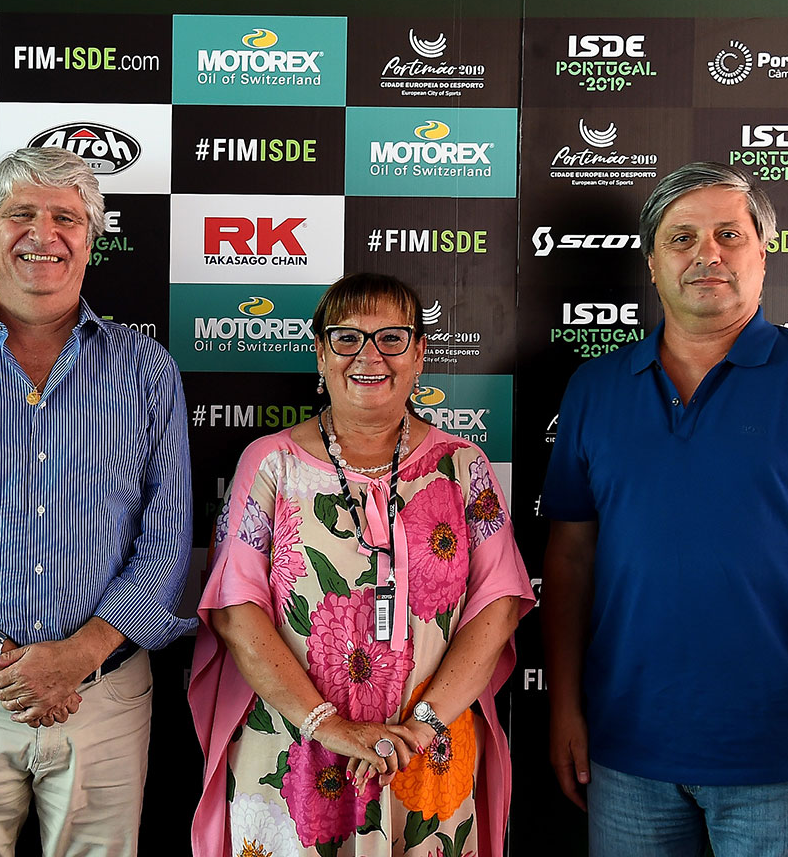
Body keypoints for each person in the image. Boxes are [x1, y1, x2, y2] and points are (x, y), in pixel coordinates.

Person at [542, 162, 788, 856]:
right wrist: (564, 706)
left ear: (761, 252)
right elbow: (569, 559)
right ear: (653, 264)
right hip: (626, 754)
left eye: (728, 234)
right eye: (681, 238)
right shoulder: (595, 389)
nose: (706, 254)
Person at [0, 146, 195, 856]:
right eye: (20, 214)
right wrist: (2, 657)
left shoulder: (146, 369)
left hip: (104, 697)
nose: (42, 234)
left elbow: (168, 538)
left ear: (90, 239)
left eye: (66, 218)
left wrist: (77, 655)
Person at [189, 272, 533, 857]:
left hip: (426, 751)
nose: (369, 356)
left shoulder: (463, 466)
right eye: (347, 338)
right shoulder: (270, 465)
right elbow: (236, 612)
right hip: (297, 749)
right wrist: (330, 726)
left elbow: (498, 606)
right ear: (321, 352)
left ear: (420, 354)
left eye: (391, 338)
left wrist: (423, 722)